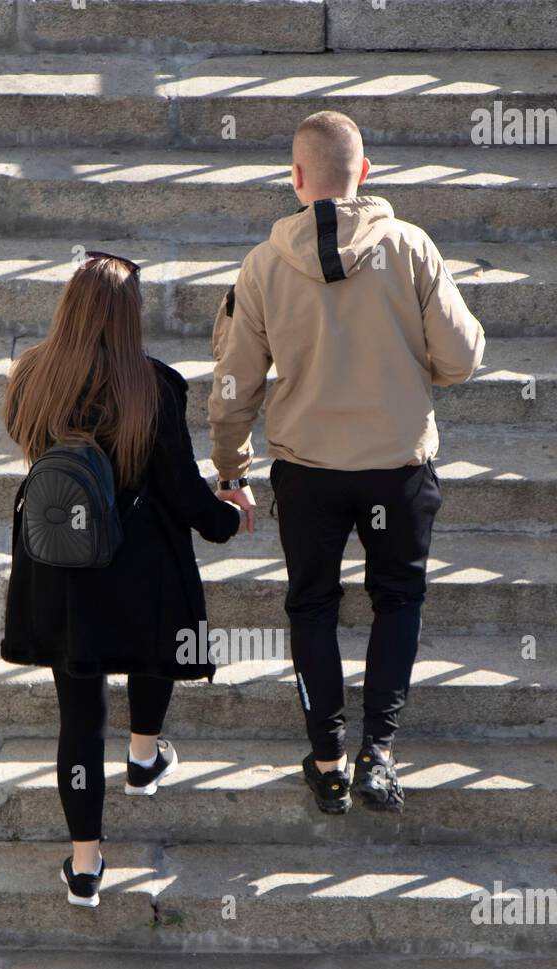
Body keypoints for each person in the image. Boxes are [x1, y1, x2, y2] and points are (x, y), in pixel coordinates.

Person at [208, 110, 485, 815]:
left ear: (296, 179)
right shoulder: (411, 247)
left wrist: (232, 471)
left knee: (312, 606)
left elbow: (234, 381)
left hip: (307, 470)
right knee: (398, 602)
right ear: (364, 172)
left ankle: (327, 758)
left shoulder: (264, 265)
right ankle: (380, 754)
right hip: (397, 463)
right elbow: (461, 358)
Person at [1, 253, 242, 905]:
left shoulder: (32, 376)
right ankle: (142, 756)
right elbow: (182, 491)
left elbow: (32, 451)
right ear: (128, 315)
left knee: (78, 717)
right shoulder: (153, 384)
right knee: (152, 649)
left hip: (61, 566)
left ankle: (86, 866)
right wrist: (228, 518)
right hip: (138, 562)